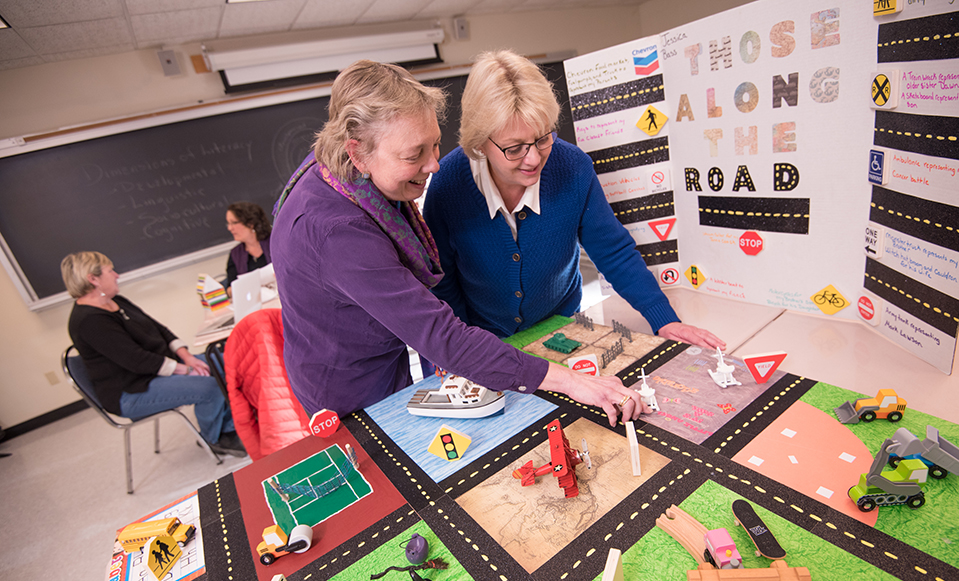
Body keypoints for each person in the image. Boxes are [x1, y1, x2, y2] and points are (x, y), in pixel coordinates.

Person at [269, 60, 646, 426]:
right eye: (413, 155)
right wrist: (574, 383)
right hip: (346, 388)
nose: (433, 164)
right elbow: (440, 335)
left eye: (434, 145)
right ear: (357, 152)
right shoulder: (338, 232)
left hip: (385, 352)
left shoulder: (346, 168)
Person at [422, 50, 726, 349]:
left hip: (561, 326)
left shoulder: (573, 167)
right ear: (479, 143)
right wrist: (463, 347)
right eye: (514, 148)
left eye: (543, 139)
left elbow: (613, 251)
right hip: (483, 338)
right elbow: (441, 280)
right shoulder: (448, 184)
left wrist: (664, 319)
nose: (533, 159)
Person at [62, 252, 245, 456]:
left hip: (154, 370)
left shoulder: (116, 301)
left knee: (224, 362)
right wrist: (185, 370)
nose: (116, 275)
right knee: (210, 387)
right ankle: (214, 438)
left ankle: (229, 425)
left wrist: (187, 357)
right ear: (93, 279)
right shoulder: (89, 321)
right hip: (130, 390)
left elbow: (160, 330)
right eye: (110, 271)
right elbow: (136, 360)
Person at [224, 201, 272, 297]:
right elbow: (229, 289)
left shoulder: (274, 241)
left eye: (234, 223)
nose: (229, 228)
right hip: (254, 301)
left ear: (250, 224)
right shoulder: (235, 254)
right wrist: (239, 288)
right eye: (228, 223)